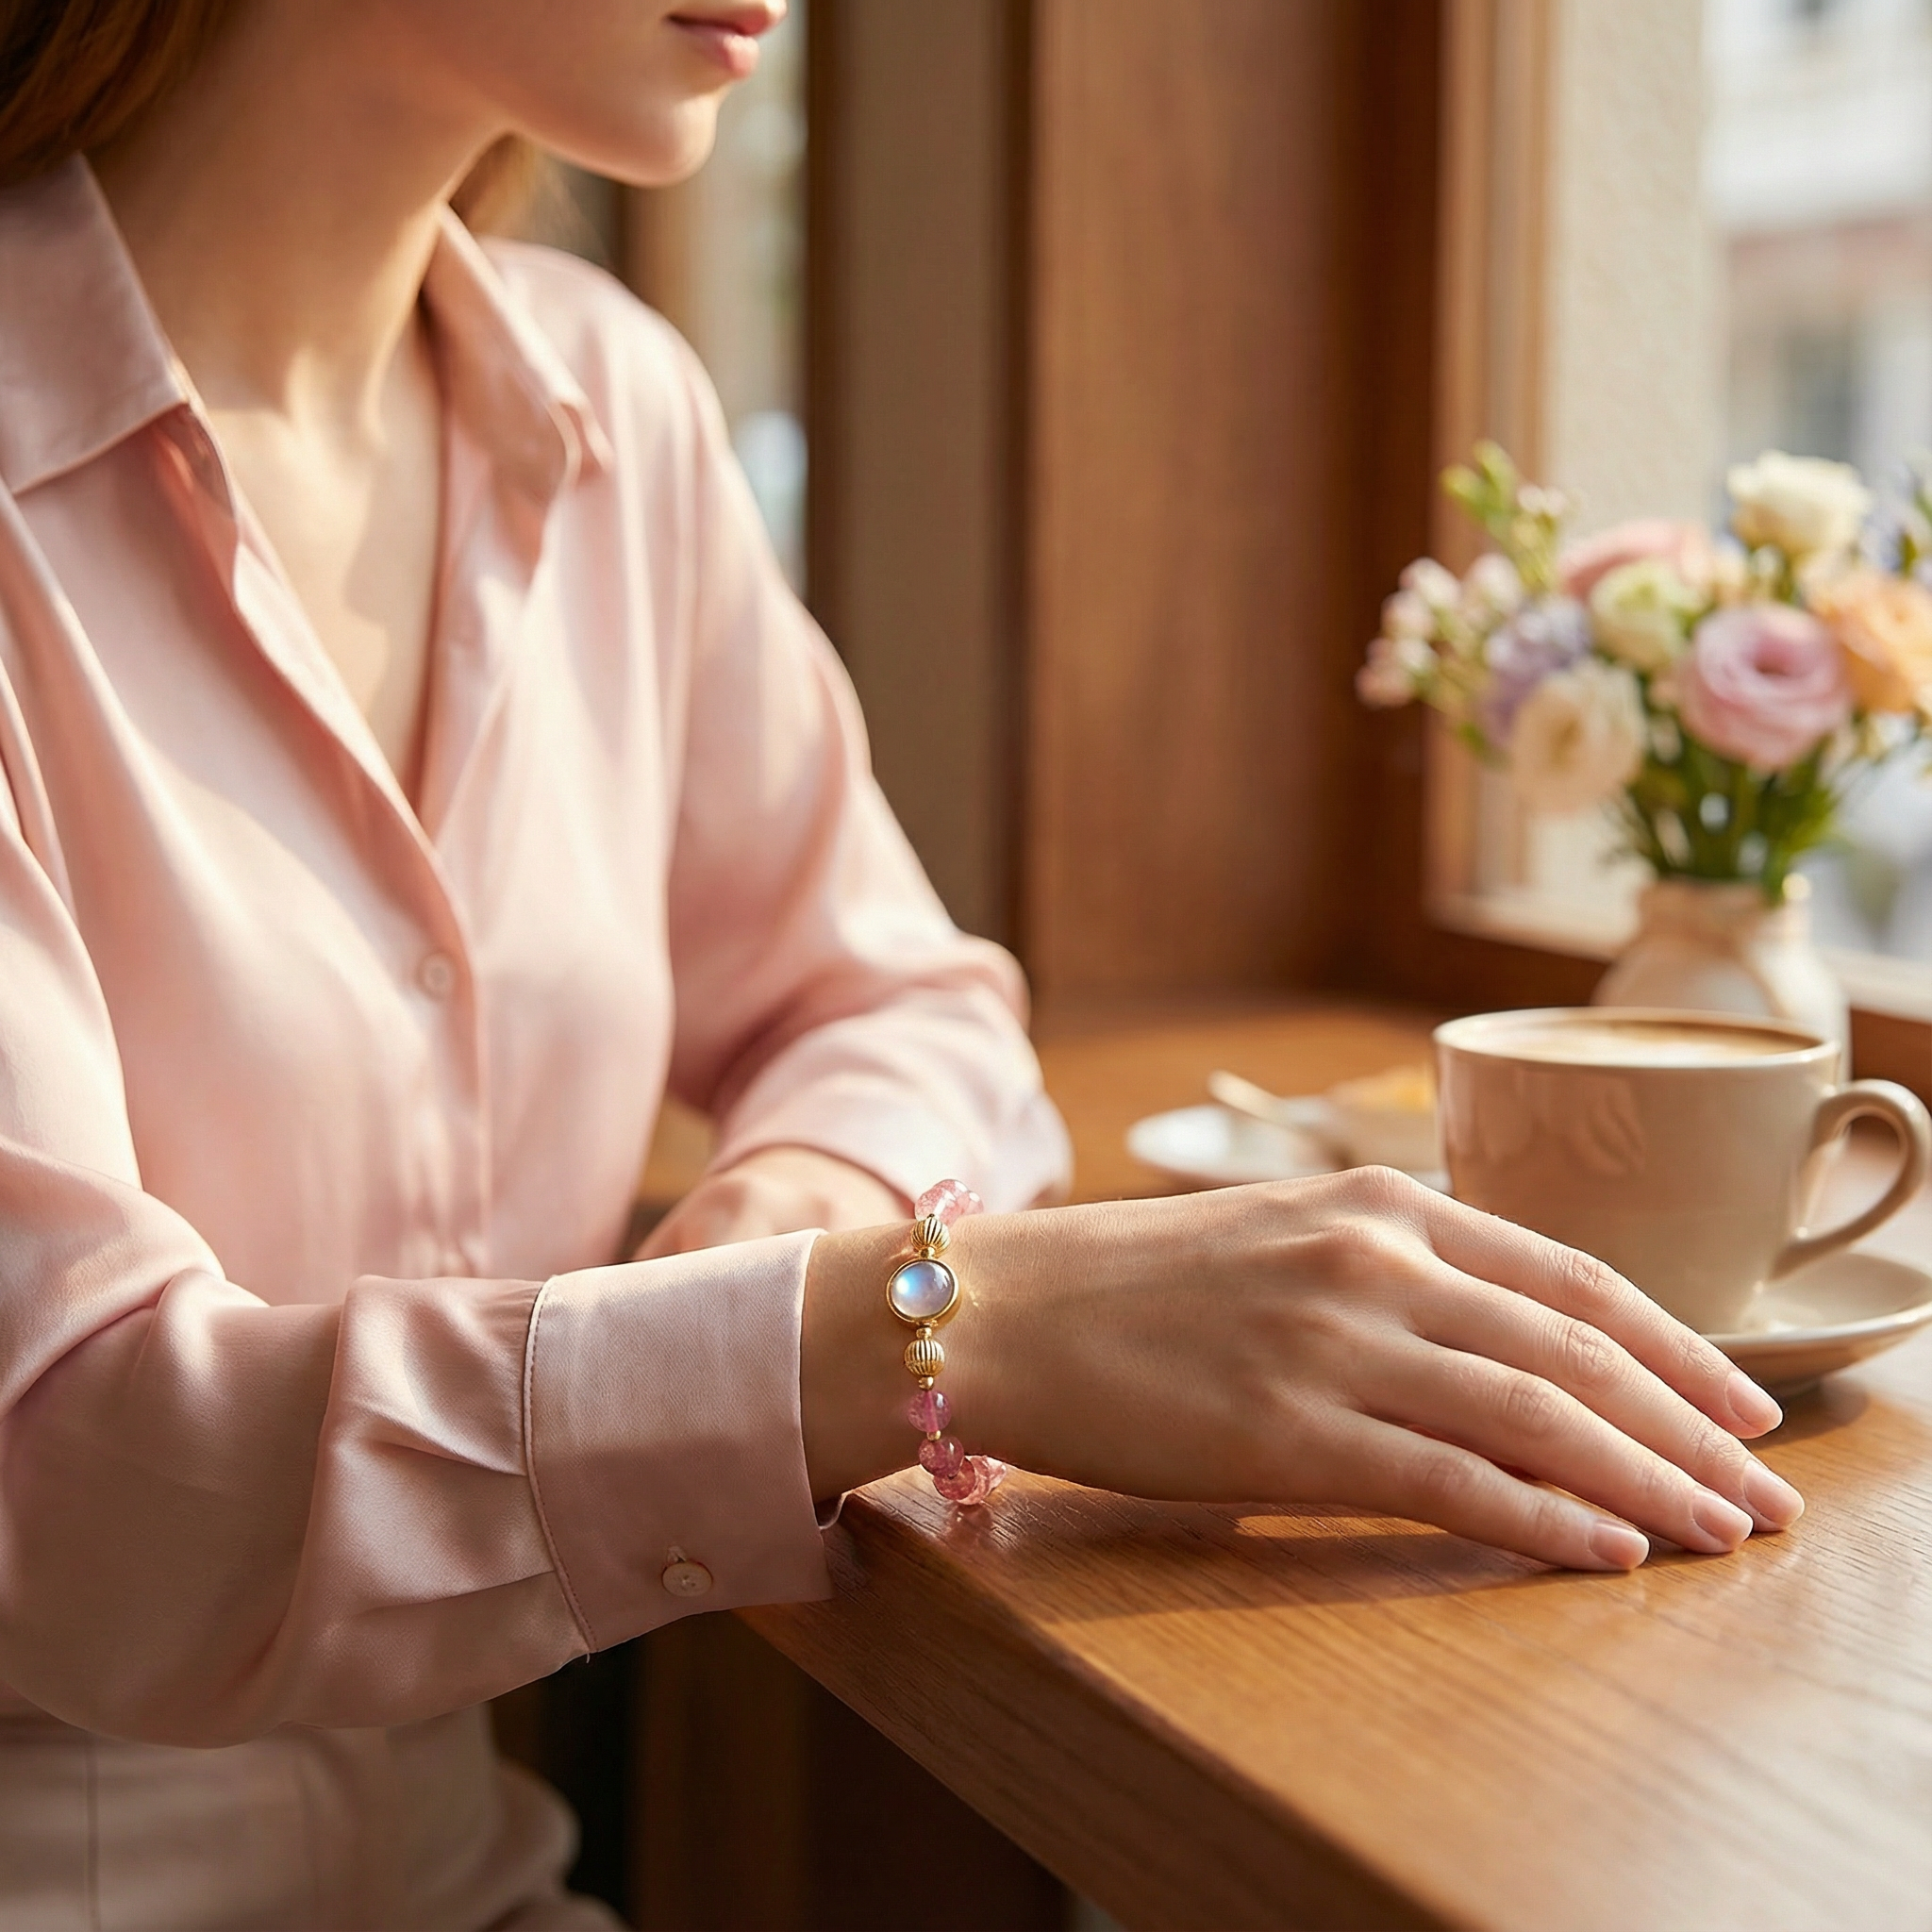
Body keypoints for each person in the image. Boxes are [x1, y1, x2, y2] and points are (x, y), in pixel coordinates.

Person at [0, 1, 1804, 1924]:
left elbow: (896, 1001)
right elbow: (75, 1482)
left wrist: (783, 1235)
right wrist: (935, 1327)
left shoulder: (609, 411)